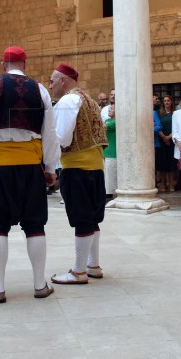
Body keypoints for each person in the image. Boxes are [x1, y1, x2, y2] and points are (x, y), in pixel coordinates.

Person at [0, 46, 60, 302]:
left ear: (3, 64)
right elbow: (49, 132)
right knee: (34, 224)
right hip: (32, 167)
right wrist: (51, 167)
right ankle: (40, 285)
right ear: (26, 64)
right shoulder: (41, 90)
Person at [49, 63, 108, 285]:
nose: (50, 85)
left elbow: (63, 138)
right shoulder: (90, 100)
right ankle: (93, 265)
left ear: (63, 80)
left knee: (82, 218)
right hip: (96, 168)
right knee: (92, 218)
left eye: (52, 80)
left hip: (76, 168)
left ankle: (78, 270)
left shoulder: (67, 101)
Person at [156, 94, 177, 192]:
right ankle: (162, 184)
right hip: (162, 140)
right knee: (162, 164)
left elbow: (178, 127)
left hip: (172, 140)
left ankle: (171, 184)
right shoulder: (159, 114)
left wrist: (169, 137)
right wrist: (164, 137)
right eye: (165, 101)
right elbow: (156, 125)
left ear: (171, 102)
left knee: (171, 163)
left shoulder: (175, 113)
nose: (167, 102)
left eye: (168, 100)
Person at [103, 104, 117, 199]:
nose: (109, 110)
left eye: (111, 109)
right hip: (106, 151)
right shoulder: (107, 120)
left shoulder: (116, 122)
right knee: (107, 175)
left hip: (113, 152)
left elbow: (102, 126)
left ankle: (111, 194)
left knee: (111, 175)